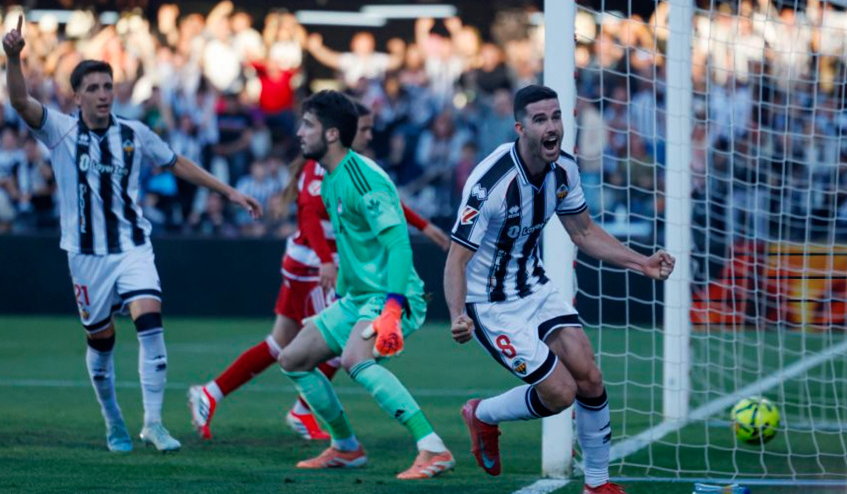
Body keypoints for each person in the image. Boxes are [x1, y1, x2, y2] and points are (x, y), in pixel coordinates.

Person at [3, 15, 261, 453]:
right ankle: (112, 419)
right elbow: (21, 102)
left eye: (109, 86)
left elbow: (177, 162)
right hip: (85, 256)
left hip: (131, 246)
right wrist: (13, 58)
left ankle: (154, 424)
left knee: (151, 325)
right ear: (77, 95)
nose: (105, 94)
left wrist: (230, 192)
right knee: (101, 347)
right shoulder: (61, 130)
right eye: (95, 88)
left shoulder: (134, 133)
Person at [443, 85, 674, 493]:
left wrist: (642, 263)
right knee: (561, 392)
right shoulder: (491, 183)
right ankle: (483, 414)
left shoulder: (564, 169)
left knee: (589, 375)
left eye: (556, 117)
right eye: (540, 119)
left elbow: (583, 231)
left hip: (533, 287)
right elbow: (456, 258)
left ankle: (597, 484)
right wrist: (457, 314)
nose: (552, 127)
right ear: (520, 128)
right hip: (489, 305)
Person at [187, 102, 449, 442]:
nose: (368, 136)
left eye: (368, 129)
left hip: (333, 268)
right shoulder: (325, 170)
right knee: (328, 350)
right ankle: (308, 414)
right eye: (365, 129)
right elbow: (309, 215)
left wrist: (423, 226)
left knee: (287, 345)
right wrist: (327, 261)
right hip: (311, 265)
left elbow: (385, 207)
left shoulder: (352, 170)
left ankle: (216, 394)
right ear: (338, 132)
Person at [273, 90, 454, 479]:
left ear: (333, 134)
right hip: (358, 298)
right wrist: (341, 293)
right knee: (292, 359)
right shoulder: (332, 177)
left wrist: (392, 307)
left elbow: (398, 242)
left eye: (308, 125)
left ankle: (432, 447)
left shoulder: (360, 177)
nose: (300, 132)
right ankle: (346, 448)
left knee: (356, 359)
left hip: (392, 295)